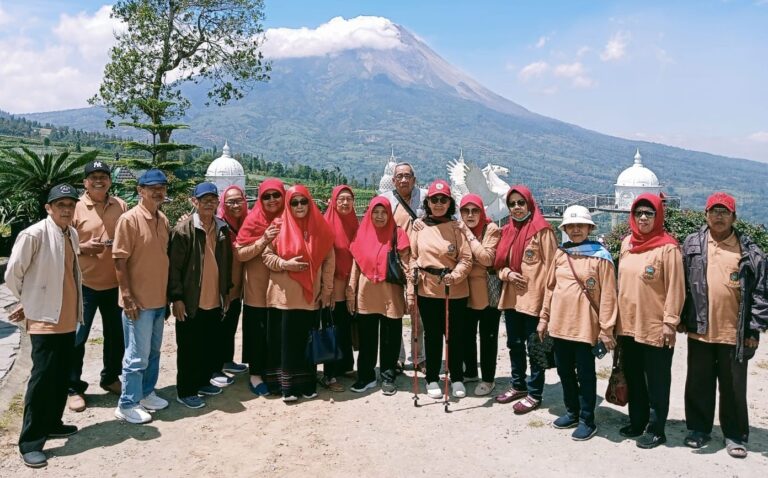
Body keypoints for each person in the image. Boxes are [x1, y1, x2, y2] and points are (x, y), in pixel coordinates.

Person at [681, 192, 768, 458]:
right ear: (705, 214)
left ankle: (734, 435)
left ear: (734, 217)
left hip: (735, 331)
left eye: (724, 212)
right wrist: (680, 318)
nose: (719, 216)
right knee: (698, 383)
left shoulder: (750, 250)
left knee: (733, 387)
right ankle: (698, 429)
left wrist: (754, 329)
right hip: (700, 328)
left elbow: (761, 292)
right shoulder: (692, 244)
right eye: (714, 211)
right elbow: (680, 283)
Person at [5, 184, 83, 468]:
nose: (66, 209)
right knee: (43, 379)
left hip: (67, 317)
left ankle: (52, 423)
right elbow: (13, 273)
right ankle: (30, 441)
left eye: (70, 205)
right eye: (60, 204)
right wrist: (31, 301)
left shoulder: (71, 233)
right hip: (44, 320)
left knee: (60, 375)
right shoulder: (34, 234)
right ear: (48, 208)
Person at [538, 205, 617, 441]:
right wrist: (544, 318)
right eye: (571, 226)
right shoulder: (561, 254)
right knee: (564, 371)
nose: (575, 230)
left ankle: (586, 419)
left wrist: (606, 328)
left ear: (589, 228)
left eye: (580, 225)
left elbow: (609, 295)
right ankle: (571, 411)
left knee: (585, 373)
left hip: (585, 327)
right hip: (560, 325)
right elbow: (550, 287)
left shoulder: (601, 256)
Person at [616, 193, 685, 449]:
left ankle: (657, 429)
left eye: (649, 213)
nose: (643, 217)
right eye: (638, 213)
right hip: (628, 325)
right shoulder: (626, 244)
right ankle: (637, 422)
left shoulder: (668, 248)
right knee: (633, 376)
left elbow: (676, 288)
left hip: (656, 326)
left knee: (656, 380)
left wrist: (670, 322)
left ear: (658, 216)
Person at [262, 185, 335, 402]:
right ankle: (287, 388)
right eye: (294, 202)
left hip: (310, 296)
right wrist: (285, 264)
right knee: (286, 343)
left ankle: (307, 385)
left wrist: (327, 290)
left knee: (306, 342)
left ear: (310, 203)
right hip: (283, 297)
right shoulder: (278, 226)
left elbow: (329, 261)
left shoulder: (320, 227)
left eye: (303, 201)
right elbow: (266, 256)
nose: (299, 206)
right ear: (288, 204)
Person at [68, 161, 128, 412]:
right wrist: (82, 248)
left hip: (115, 284)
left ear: (110, 181)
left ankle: (110, 378)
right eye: (93, 177)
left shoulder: (121, 206)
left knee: (116, 336)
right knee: (77, 339)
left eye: (103, 176)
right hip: (85, 285)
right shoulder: (75, 208)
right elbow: (59, 240)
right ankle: (73, 387)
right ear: (85, 183)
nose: (99, 180)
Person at [112, 169, 171, 424]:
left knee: (154, 352)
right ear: (140, 190)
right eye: (152, 187)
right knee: (136, 355)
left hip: (158, 300)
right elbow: (119, 260)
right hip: (138, 302)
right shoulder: (129, 219)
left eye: (162, 187)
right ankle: (127, 403)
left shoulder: (163, 219)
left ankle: (146, 393)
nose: (158, 191)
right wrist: (127, 296)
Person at [168, 183, 233, 408]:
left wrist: (226, 293)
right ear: (194, 201)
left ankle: (203, 381)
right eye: (203, 199)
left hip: (214, 298)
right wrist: (176, 298)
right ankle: (186, 390)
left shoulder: (222, 228)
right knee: (188, 348)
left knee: (208, 344)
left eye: (213, 199)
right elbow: (174, 268)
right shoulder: (184, 230)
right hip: (190, 300)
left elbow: (226, 263)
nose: (209, 203)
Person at [408, 179, 472, 399]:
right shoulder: (419, 226)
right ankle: (432, 378)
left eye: (442, 199)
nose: (438, 203)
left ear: (449, 202)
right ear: (428, 202)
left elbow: (466, 258)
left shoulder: (457, 228)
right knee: (433, 336)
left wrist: (455, 276)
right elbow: (413, 257)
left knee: (454, 336)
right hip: (427, 289)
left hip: (454, 289)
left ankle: (456, 378)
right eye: (434, 199)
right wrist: (413, 270)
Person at [495, 186, 557, 411]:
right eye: (512, 204)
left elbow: (553, 271)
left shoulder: (543, 231)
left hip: (534, 302)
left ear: (529, 203)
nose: (517, 208)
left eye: (521, 203)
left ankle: (535, 393)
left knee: (536, 349)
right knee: (514, 345)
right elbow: (499, 265)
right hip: (512, 300)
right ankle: (518, 384)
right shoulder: (508, 230)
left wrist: (547, 308)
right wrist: (508, 274)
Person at [347, 197, 412, 395]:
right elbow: (356, 266)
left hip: (390, 294)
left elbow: (407, 265)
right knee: (367, 338)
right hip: (366, 294)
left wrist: (410, 293)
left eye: (384, 212)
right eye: (376, 212)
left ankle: (387, 376)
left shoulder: (397, 234)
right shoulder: (362, 233)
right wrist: (350, 293)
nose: (380, 216)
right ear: (369, 213)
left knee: (390, 338)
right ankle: (365, 376)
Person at [235, 178, 286, 395]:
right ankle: (255, 374)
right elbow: (240, 254)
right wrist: (263, 240)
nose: (272, 200)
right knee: (256, 332)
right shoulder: (253, 220)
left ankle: (274, 372)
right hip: (257, 288)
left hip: (281, 288)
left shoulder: (289, 218)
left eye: (276, 195)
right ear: (260, 199)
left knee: (276, 333)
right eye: (266, 196)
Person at [380, 162, 427, 373]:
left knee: (418, 315)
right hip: (394, 263)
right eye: (399, 176)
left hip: (420, 262)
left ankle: (420, 357)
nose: (404, 180)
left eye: (408, 176)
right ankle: (397, 357)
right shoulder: (387, 201)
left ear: (414, 179)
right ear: (393, 180)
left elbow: (444, 218)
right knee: (395, 312)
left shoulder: (425, 197)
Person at [456, 194, 501, 396]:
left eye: (475, 210)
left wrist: (468, 233)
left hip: (487, 291)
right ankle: (471, 371)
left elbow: (486, 258)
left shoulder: (490, 229)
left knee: (487, 336)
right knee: (466, 334)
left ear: (482, 211)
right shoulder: (456, 229)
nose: (471, 215)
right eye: (466, 210)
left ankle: (488, 378)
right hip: (464, 289)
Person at [321, 185, 359, 391]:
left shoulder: (356, 224)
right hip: (332, 286)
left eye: (348, 199)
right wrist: (327, 290)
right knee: (331, 329)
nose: (345, 203)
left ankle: (345, 366)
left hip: (350, 286)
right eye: (341, 199)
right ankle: (329, 374)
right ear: (333, 202)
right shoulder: (326, 225)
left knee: (345, 328)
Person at [217, 185, 250, 376]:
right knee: (220, 327)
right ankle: (215, 366)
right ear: (223, 203)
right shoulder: (219, 224)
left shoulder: (249, 222)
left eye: (239, 200)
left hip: (240, 287)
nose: (236, 205)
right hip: (224, 286)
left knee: (231, 325)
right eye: (230, 201)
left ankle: (227, 361)